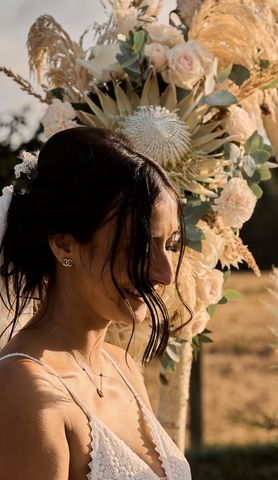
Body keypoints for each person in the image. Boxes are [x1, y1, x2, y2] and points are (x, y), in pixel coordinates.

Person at [0, 127, 192, 479]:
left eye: (171, 245)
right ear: (64, 246)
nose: (165, 274)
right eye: (139, 246)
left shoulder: (123, 366)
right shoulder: (20, 389)